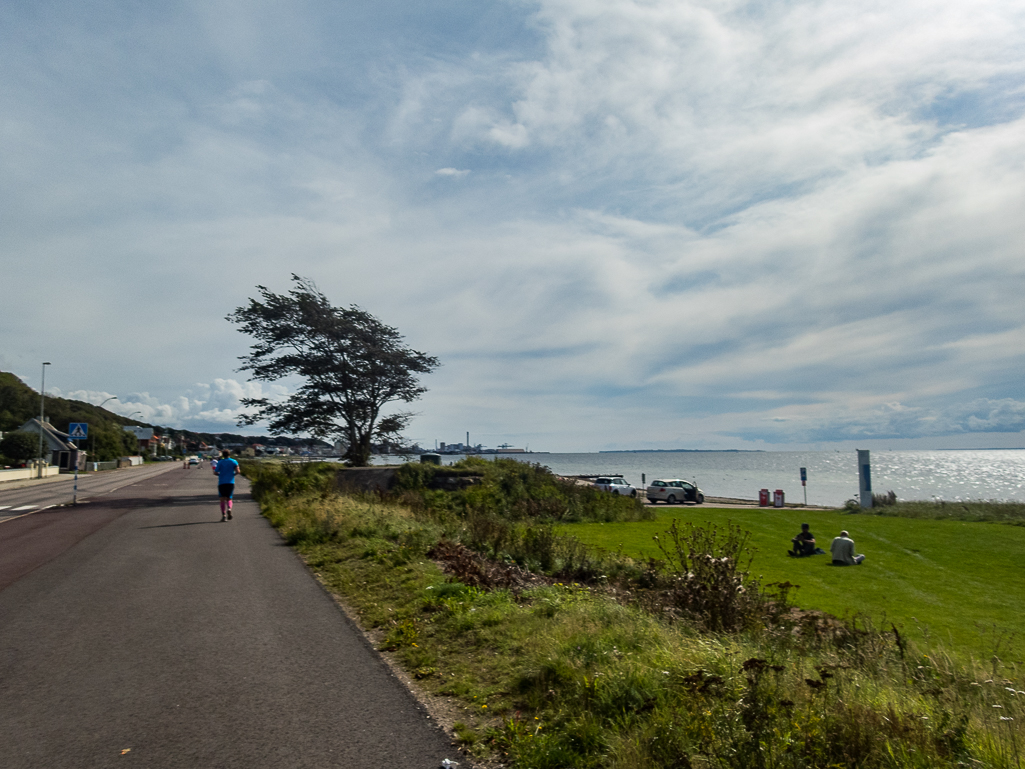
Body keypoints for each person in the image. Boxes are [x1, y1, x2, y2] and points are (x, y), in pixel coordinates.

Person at [213, 449, 240, 522]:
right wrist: (233, 474)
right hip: (230, 482)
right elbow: (238, 471)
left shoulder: (220, 462)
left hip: (222, 482)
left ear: (222, 455)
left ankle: (224, 515)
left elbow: (215, 472)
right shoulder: (234, 461)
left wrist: (219, 474)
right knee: (229, 498)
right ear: (229, 454)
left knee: (222, 499)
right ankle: (229, 509)